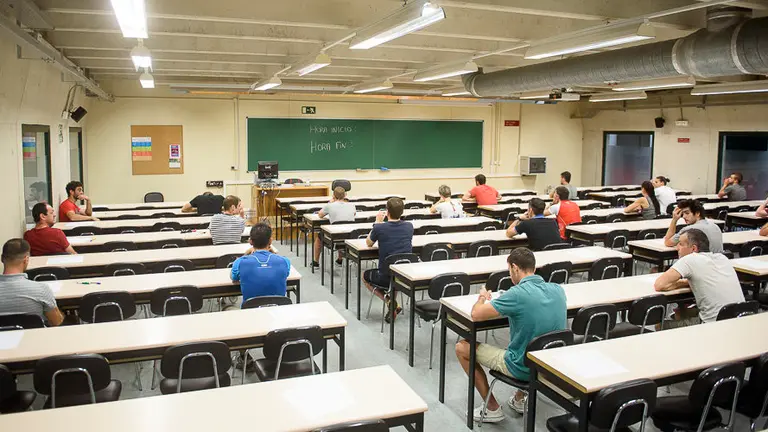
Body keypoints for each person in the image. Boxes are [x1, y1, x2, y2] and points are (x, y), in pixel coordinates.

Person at [456, 248, 566, 423]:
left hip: (523, 367)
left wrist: (482, 297)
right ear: (534, 268)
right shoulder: (557, 290)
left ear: (515, 268)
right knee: (532, 337)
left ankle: (491, 408)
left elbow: (476, 314)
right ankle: (519, 399)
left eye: (509, 270)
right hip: (549, 365)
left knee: (462, 348)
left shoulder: (516, 294)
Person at [654, 229, 745, 327]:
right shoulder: (722, 258)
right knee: (680, 313)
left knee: (659, 326)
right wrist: (687, 282)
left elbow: (659, 285)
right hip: (740, 318)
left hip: (713, 324)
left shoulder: (690, 259)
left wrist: (680, 283)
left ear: (693, 249)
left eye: (680, 244)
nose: (677, 248)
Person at [363, 198, 414, 321]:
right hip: (404, 276)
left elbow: (369, 243)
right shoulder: (409, 226)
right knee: (395, 272)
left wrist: (377, 223)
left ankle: (388, 301)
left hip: (385, 276)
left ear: (387, 212)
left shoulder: (380, 228)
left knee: (364, 275)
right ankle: (392, 304)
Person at [0, 239, 64, 326]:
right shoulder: (41, 289)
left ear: (1, 258)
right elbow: (57, 322)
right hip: (36, 339)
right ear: (26, 259)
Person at [230, 223, 291, 304]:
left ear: (250, 241)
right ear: (270, 241)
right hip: (278, 311)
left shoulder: (240, 262)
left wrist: (245, 255)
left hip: (251, 312)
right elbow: (284, 274)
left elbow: (233, 277)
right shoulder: (285, 261)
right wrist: (273, 254)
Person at [312, 187, 356, 268]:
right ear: (345, 195)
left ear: (333, 196)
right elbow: (353, 215)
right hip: (350, 235)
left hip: (335, 236)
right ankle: (340, 260)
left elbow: (320, 214)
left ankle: (316, 262)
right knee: (342, 231)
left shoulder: (330, 205)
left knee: (319, 239)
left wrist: (329, 202)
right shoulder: (352, 205)